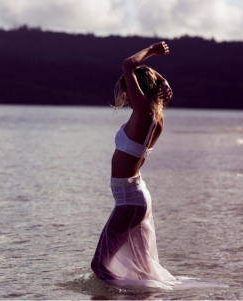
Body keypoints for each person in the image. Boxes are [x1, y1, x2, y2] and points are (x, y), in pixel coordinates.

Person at [91, 41, 178, 290]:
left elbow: (128, 64)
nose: (127, 96)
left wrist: (152, 50)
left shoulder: (143, 114)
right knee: (141, 271)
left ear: (140, 89)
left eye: (129, 89)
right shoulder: (154, 117)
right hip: (135, 196)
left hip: (129, 200)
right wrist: (163, 80)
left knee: (99, 266)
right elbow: (138, 72)